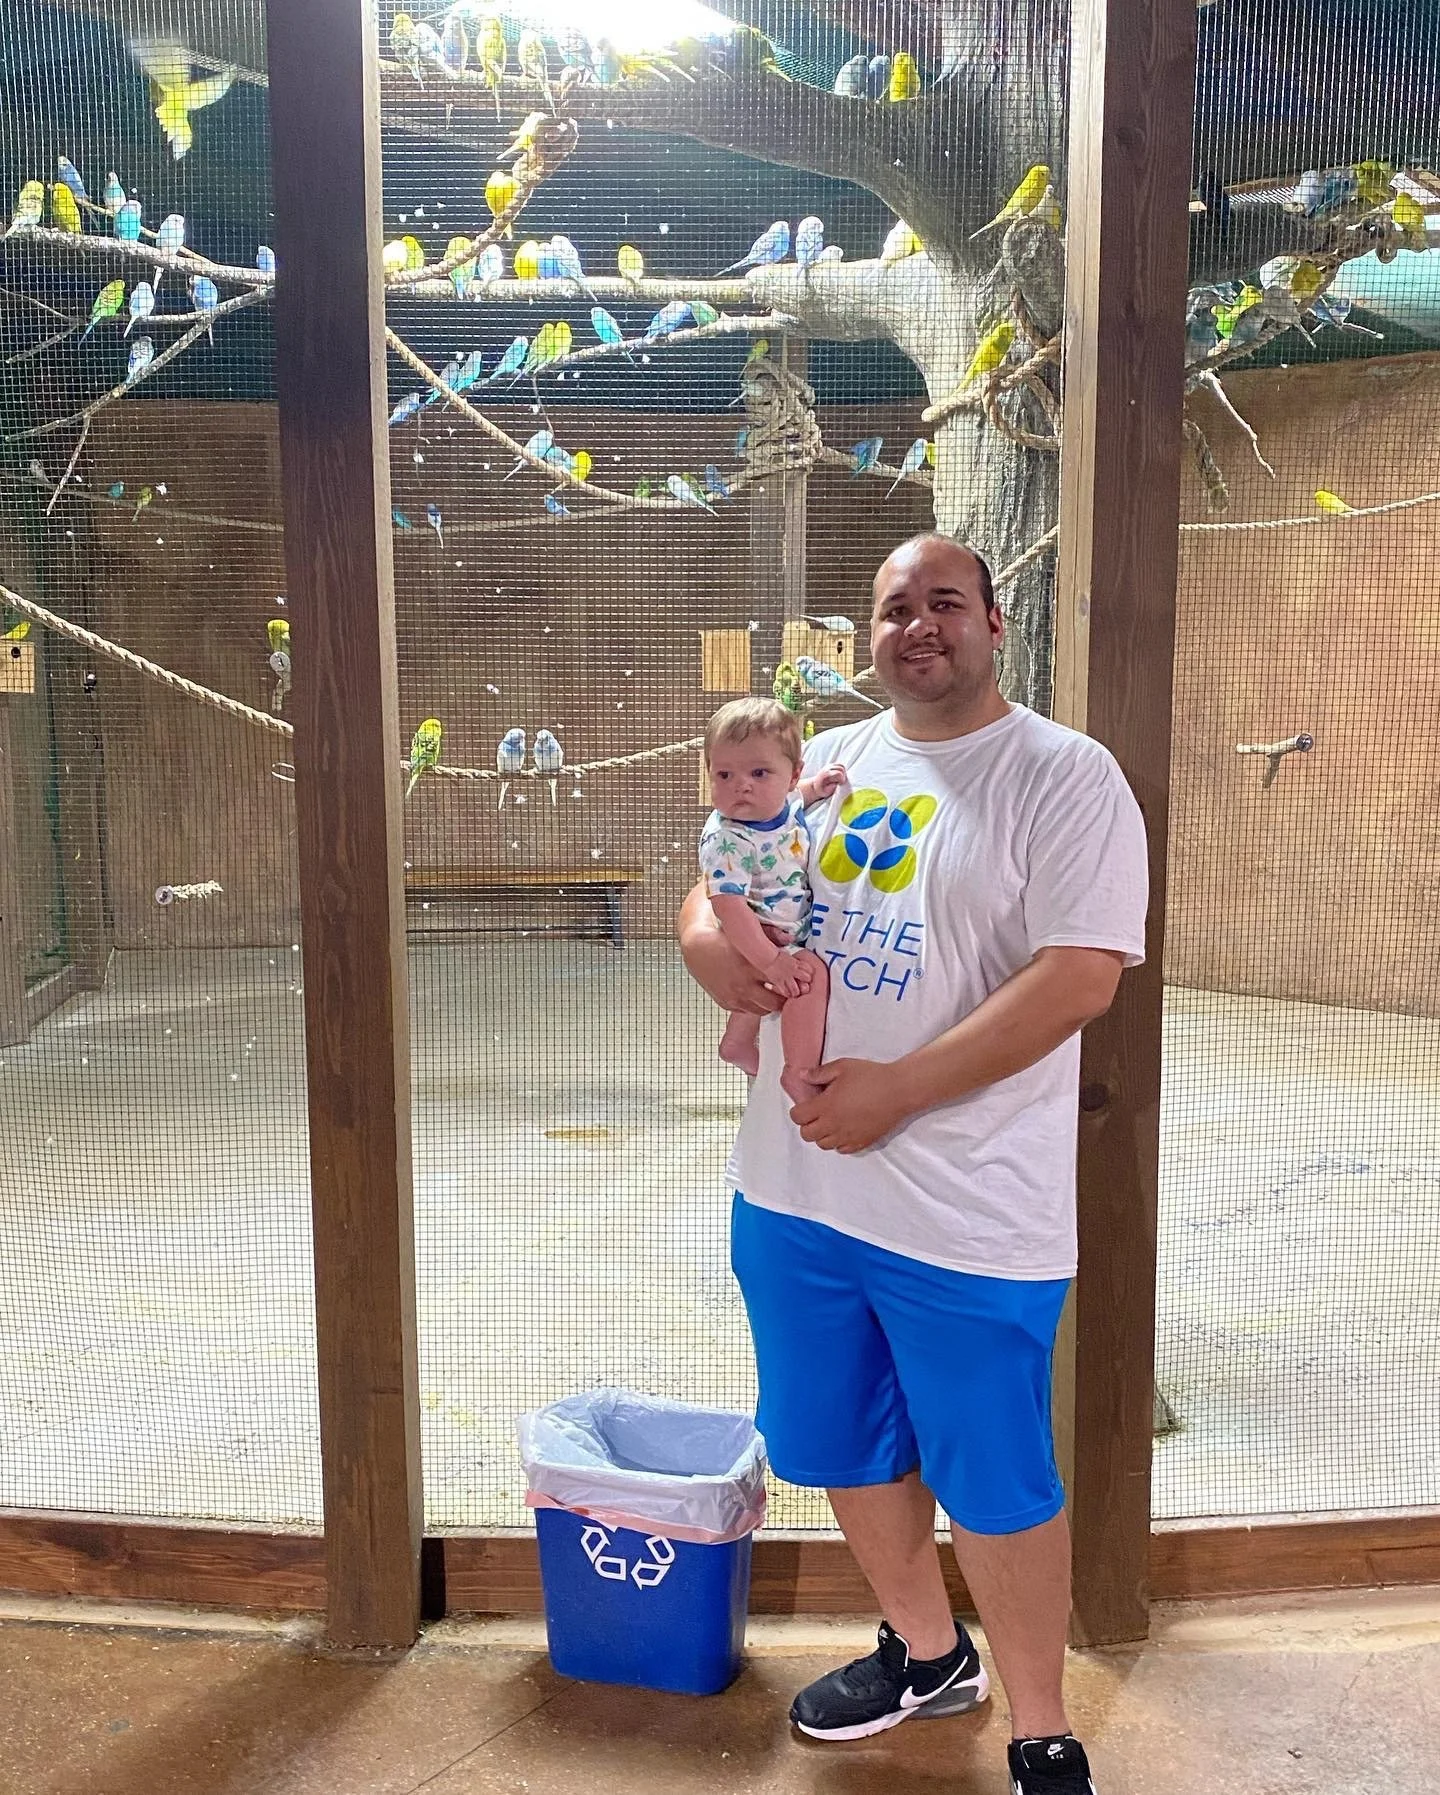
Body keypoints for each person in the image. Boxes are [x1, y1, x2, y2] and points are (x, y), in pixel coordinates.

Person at [677, 534, 1149, 1795]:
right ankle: (928, 1652)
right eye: (895, 608)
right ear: (869, 636)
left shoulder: (1066, 776)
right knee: (839, 1440)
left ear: (994, 623)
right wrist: (713, 955)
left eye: (945, 602)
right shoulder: (827, 759)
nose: (918, 626)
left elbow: (1080, 975)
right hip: (795, 1190)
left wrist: (898, 1091)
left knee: (995, 1470)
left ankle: (1040, 1724)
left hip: (967, 1209)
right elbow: (716, 872)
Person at [698, 697, 847, 1104]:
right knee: (807, 978)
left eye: (758, 772)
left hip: (779, 927)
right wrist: (771, 960)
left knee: (766, 992)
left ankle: (737, 1043)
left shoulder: (781, 804)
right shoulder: (730, 838)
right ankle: (798, 1071)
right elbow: (727, 906)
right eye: (723, 774)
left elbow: (796, 796)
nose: (740, 786)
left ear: (792, 773)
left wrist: (816, 789)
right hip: (762, 936)